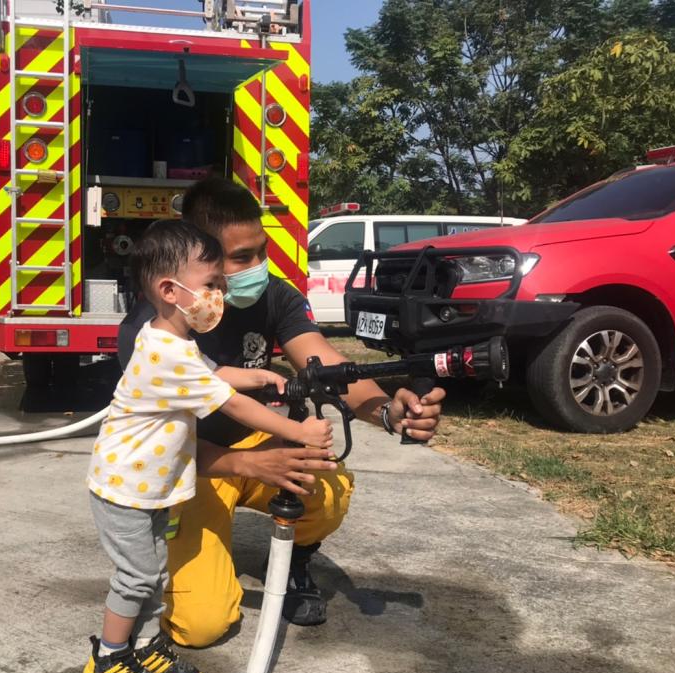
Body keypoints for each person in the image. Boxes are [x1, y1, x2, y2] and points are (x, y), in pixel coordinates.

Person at [117, 177, 446, 648]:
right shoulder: (147, 337)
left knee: (325, 486)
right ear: (196, 260)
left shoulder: (276, 295)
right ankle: (183, 558)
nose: (258, 267)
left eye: (261, 251)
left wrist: (389, 411)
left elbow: (326, 361)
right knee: (201, 627)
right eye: (240, 258)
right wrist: (248, 463)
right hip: (189, 467)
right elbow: (161, 448)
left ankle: (296, 557)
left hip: (251, 445)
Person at [82, 220, 333, 673]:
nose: (221, 293)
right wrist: (297, 429)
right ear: (169, 290)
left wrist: (262, 377)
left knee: (155, 573)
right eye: (212, 284)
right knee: (136, 577)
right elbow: (229, 402)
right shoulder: (163, 352)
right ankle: (108, 658)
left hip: (153, 488)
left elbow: (217, 373)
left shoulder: (176, 340)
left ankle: (148, 644)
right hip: (125, 491)